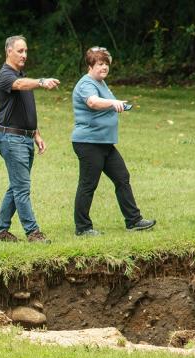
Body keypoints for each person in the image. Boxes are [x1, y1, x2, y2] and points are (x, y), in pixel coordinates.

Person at [70, 46, 155, 237]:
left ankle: (133, 221)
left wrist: (122, 105)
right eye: (100, 64)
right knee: (88, 184)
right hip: (89, 143)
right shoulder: (86, 84)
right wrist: (112, 103)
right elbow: (93, 102)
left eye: (106, 64)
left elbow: (108, 102)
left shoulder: (101, 83)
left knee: (122, 177)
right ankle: (82, 228)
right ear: (90, 65)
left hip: (104, 143)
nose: (104, 68)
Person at [0, 35, 60, 243]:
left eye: (26, 51)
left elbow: (25, 109)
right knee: (22, 189)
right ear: (8, 51)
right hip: (11, 139)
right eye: (20, 51)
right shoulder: (5, 76)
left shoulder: (21, 76)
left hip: (25, 139)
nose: (24, 55)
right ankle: (33, 233)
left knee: (16, 186)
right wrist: (40, 81)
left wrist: (36, 134)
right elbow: (19, 84)